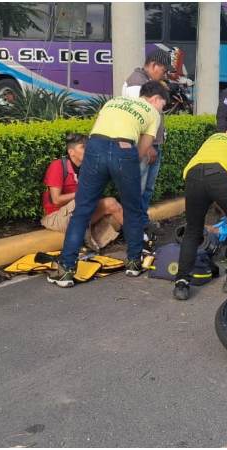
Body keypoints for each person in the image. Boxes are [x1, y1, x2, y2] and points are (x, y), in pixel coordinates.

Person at [48, 81, 168, 287]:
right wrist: (126, 164)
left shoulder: (114, 102)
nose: (161, 109)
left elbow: (98, 130)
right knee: (132, 209)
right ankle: (133, 263)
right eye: (163, 105)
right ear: (156, 99)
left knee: (82, 210)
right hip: (124, 148)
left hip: (94, 147)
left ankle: (66, 270)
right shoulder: (153, 113)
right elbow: (143, 149)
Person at [173, 111, 227, 301]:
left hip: (194, 175)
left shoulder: (216, 136)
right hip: (224, 179)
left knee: (193, 230)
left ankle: (181, 283)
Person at [41, 133, 123, 250]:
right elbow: (56, 200)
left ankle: (140, 238)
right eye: (83, 147)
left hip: (78, 212)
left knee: (112, 204)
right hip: (56, 217)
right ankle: (84, 238)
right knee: (82, 199)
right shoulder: (58, 166)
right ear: (71, 152)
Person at [121, 49, 172, 233]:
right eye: (163, 70)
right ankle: (133, 227)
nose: (164, 74)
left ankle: (141, 222)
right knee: (138, 188)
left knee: (147, 188)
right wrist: (147, 145)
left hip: (152, 143)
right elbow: (138, 117)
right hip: (143, 144)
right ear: (153, 65)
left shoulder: (148, 82)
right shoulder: (137, 83)